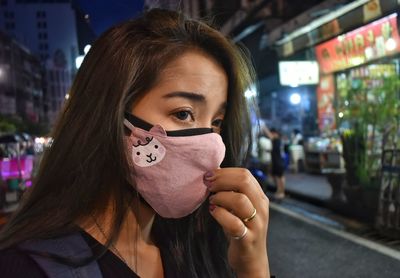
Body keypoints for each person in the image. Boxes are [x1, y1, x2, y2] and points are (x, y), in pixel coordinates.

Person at [0, 9, 270, 278]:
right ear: (111, 114)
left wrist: (254, 267)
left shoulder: (197, 249)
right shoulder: (28, 267)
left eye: (217, 122)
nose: (212, 145)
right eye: (183, 113)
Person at [262, 125, 286, 200]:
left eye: (272, 133)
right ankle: (280, 192)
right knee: (279, 177)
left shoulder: (276, 139)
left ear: (275, 133)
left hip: (277, 162)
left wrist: (264, 126)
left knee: (279, 177)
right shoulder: (278, 140)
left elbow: (269, 135)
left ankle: (280, 192)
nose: (271, 134)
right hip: (278, 161)